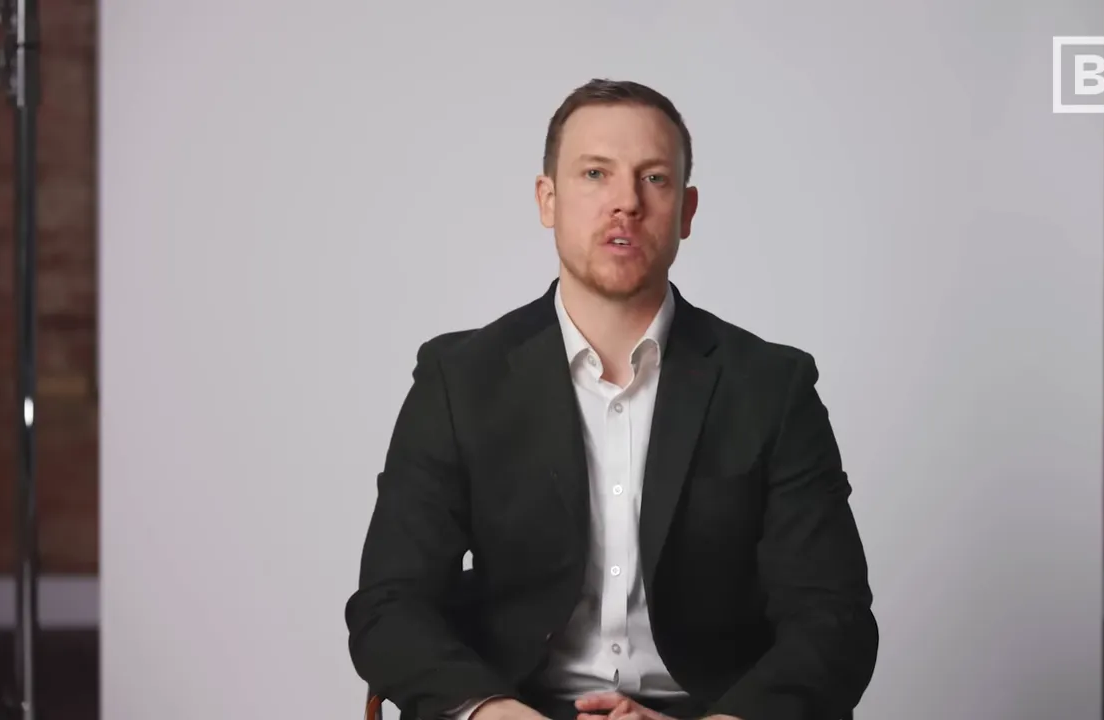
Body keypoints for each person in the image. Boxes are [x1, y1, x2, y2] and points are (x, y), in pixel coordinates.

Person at [345, 78, 878, 720]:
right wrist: (494, 714)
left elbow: (834, 620)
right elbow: (388, 605)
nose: (625, 202)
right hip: (518, 710)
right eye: (595, 173)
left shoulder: (772, 386)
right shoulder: (458, 378)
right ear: (548, 199)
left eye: (654, 179)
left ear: (687, 209)